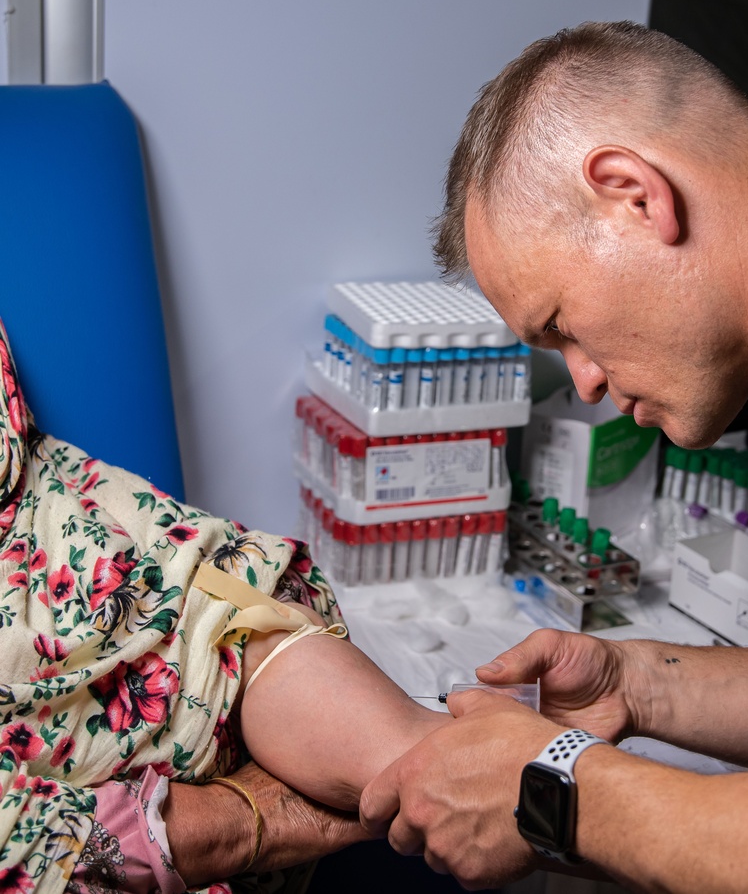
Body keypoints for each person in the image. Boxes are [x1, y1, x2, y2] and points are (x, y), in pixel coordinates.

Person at [359, 21, 748, 891]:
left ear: (633, 194)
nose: (581, 380)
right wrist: (637, 685)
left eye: (561, 326)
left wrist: (556, 786)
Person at [0, 320, 448, 894]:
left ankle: (467, 766)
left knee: (229, 614)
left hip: (36, 500)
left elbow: (232, 621)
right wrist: (259, 818)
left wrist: (421, 755)